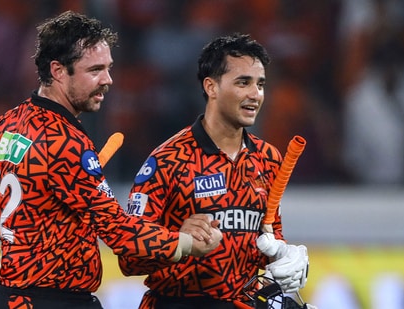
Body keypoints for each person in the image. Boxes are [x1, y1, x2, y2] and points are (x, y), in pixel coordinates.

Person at [0, 11, 221, 309]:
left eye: (109, 68)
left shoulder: (12, 121)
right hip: (55, 301)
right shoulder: (66, 142)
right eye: (95, 70)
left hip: (10, 298)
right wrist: (186, 243)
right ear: (59, 71)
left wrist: (11, 232)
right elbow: (118, 231)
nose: (108, 80)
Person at [118, 33, 310, 309]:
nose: (255, 94)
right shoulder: (168, 160)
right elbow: (128, 257)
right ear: (211, 87)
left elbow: (269, 238)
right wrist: (179, 240)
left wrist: (286, 257)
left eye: (260, 84)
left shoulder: (268, 158)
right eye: (243, 83)